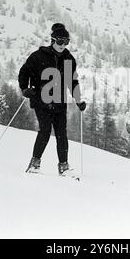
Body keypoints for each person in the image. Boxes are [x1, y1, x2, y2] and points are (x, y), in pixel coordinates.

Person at [19, 23, 86, 175]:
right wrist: (25, 88)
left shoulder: (69, 59)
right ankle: (34, 164)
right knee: (45, 130)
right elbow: (24, 72)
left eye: (66, 41)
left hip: (59, 101)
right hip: (40, 99)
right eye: (60, 41)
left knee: (62, 133)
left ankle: (63, 166)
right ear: (53, 40)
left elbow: (72, 81)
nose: (63, 45)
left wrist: (78, 100)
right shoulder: (38, 56)